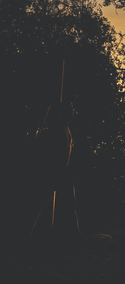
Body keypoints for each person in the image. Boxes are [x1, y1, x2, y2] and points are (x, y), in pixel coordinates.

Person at [31, 101, 81, 237]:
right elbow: (52, 150)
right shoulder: (57, 128)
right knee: (41, 201)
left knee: (70, 202)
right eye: (69, 111)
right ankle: (27, 230)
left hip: (63, 170)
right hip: (54, 170)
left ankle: (75, 233)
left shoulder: (65, 128)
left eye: (72, 111)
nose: (72, 113)